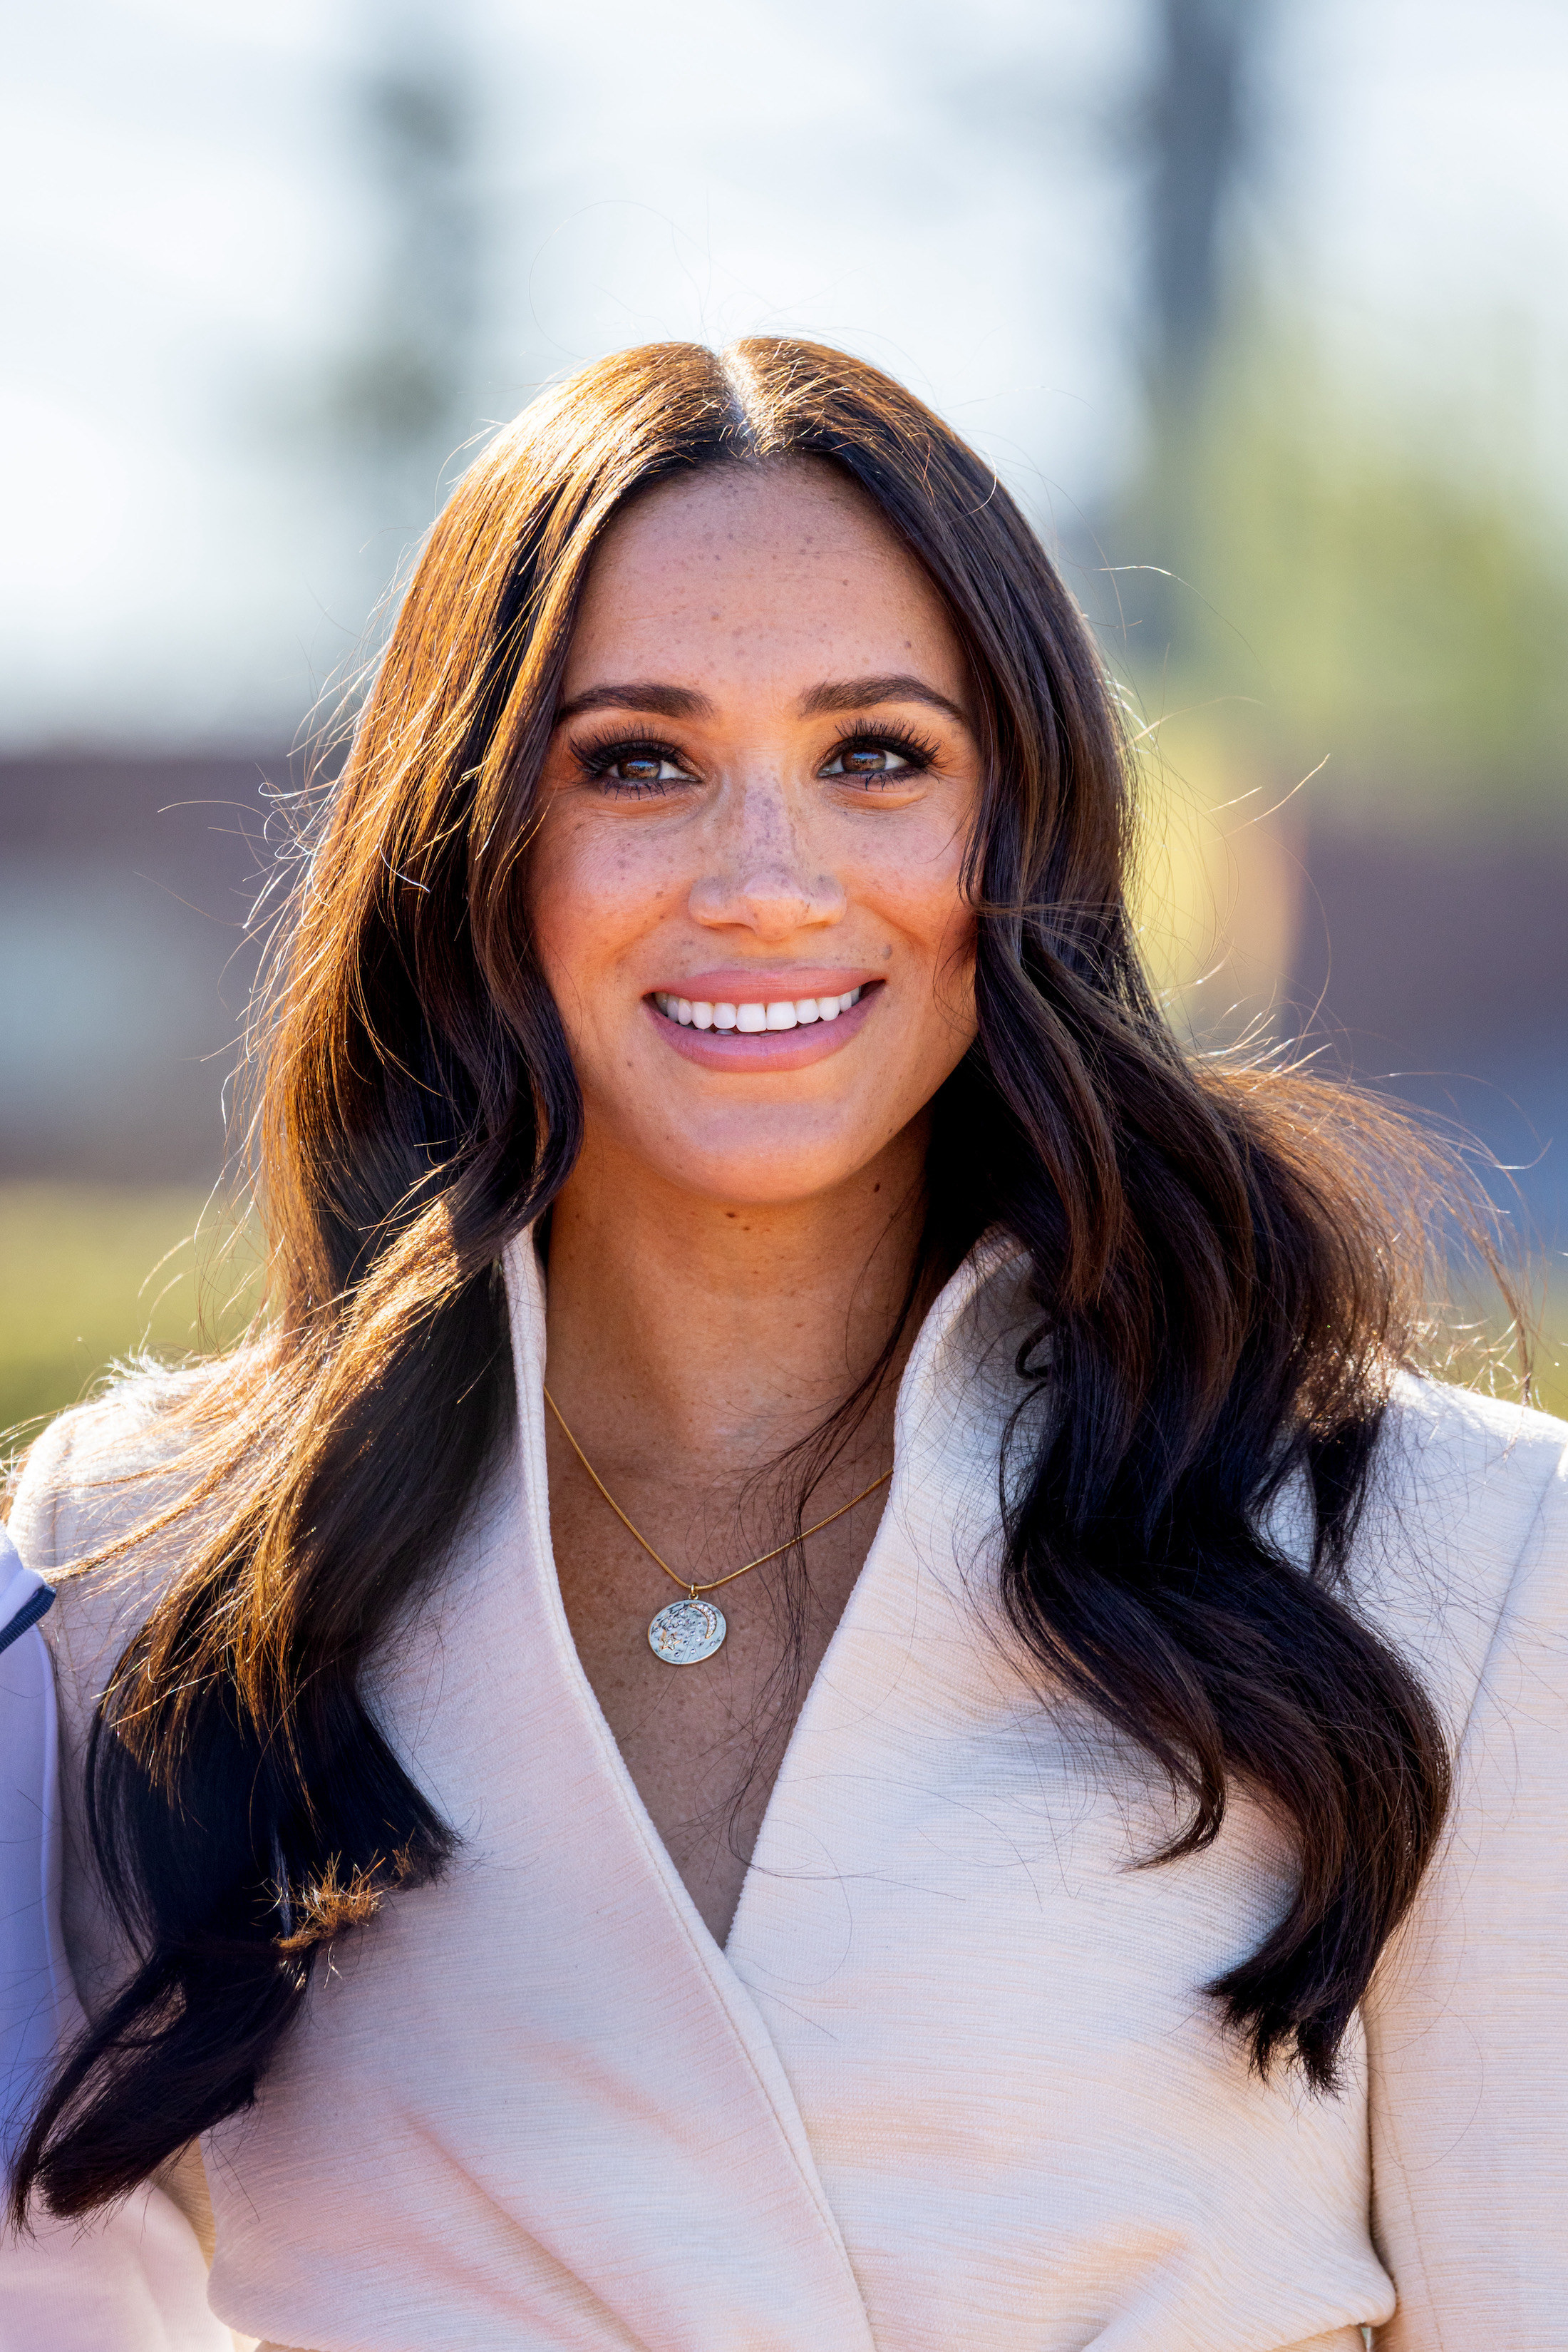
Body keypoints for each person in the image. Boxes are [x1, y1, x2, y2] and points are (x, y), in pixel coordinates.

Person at [2, 337, 1564, 2352]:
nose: (764, 880)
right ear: (472, 841)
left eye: (878, 755)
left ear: (1023, 837)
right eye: (636, 758)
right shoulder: (148, 1577)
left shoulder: (1456, 1564)